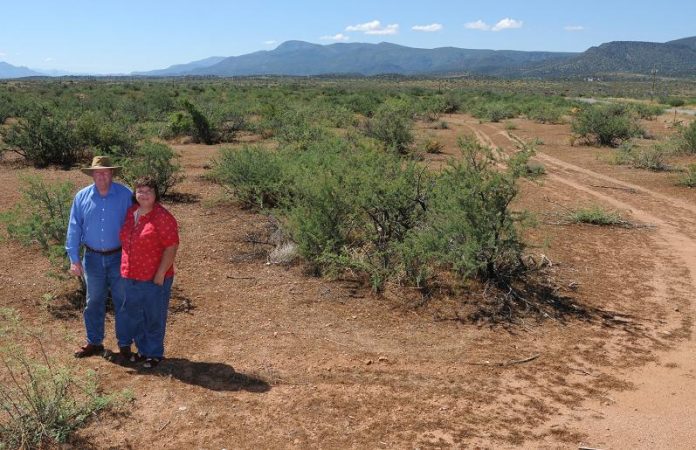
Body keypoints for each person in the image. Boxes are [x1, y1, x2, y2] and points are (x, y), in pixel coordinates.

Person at [66, 155, 133, 358]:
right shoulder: (82, 197)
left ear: (112, 173)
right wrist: (74, 258)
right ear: (92, 174)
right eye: (97, 172)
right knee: (93, 301)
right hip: (92, 258)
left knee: (123, 301)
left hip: (119, 256)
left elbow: (136, 226)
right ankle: (94, 342)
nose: (101, 176)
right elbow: (74, 227)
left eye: (105, 171)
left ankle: (124, 345)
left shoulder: (126, 195)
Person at [120, 176, 179, 368]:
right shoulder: (131, 212)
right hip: (131, 274)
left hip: (154, 276)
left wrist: (161, 273)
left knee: (154, 315)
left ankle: (154, 353)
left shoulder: (163, 217)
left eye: (148, 191)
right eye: (140, 191)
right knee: (136, 314)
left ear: (156, 194)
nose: (144, 195)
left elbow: (171, 247)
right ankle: (142, 350)